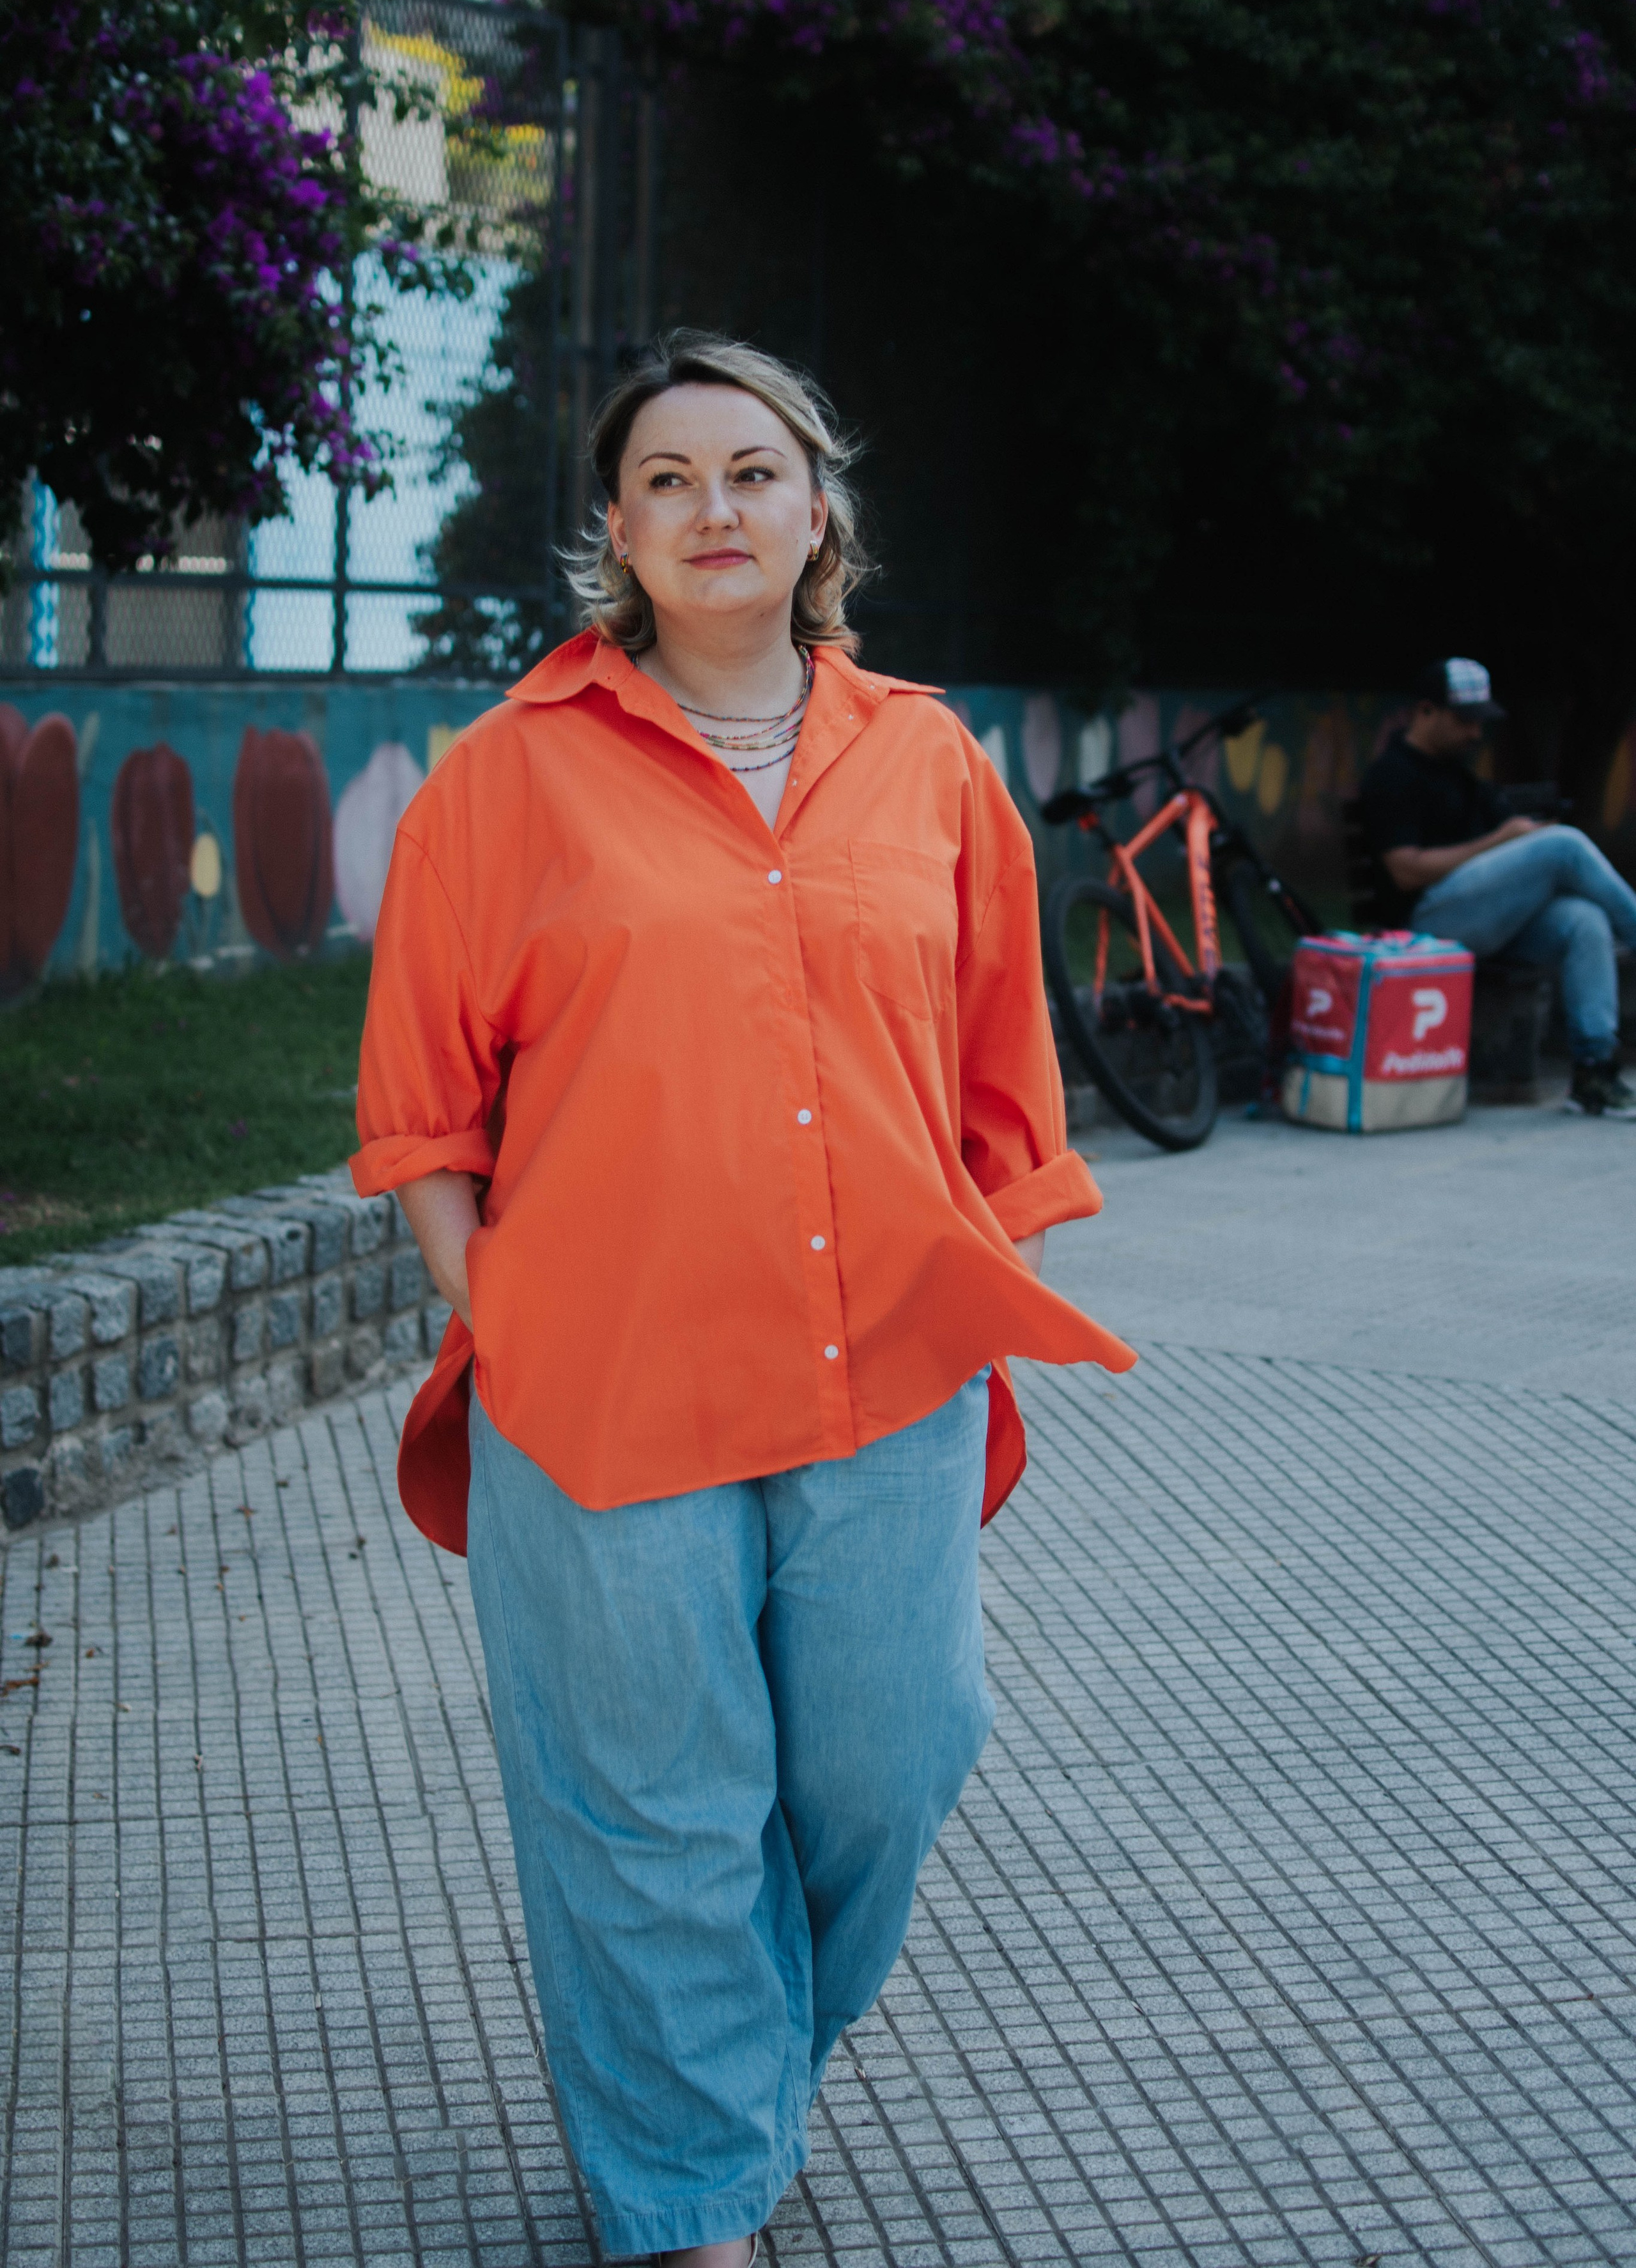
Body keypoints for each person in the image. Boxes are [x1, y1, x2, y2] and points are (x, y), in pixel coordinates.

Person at [349, 331, 1136, 2267]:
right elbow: (424, 1108)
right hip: (601, 1375)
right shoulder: (504, 778)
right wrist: (496, 1300)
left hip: (891, 1367)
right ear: (616, 534)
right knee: (651, 1808)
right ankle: (692, 2191)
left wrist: (988, 1266)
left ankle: (724, 2068)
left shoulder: (929, 762)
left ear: (816, 512)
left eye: (753, 470)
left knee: (895, 1751)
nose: (715, 507)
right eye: (669, 479)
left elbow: (1001, 1078)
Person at [1359, 657, 1636, 1118]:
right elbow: (1404, 871)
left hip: (1485, 922)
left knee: (1584, 921)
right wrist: (1503, 842)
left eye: (1480, 722)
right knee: (1565, 846)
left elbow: (1505, 853)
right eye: (1464, 720)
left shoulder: (1462, 775)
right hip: (1424, 926)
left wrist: (1522, 842)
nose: (1475, 733)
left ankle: (1595, 1072)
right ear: (1426, 711)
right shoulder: (1392, 775)